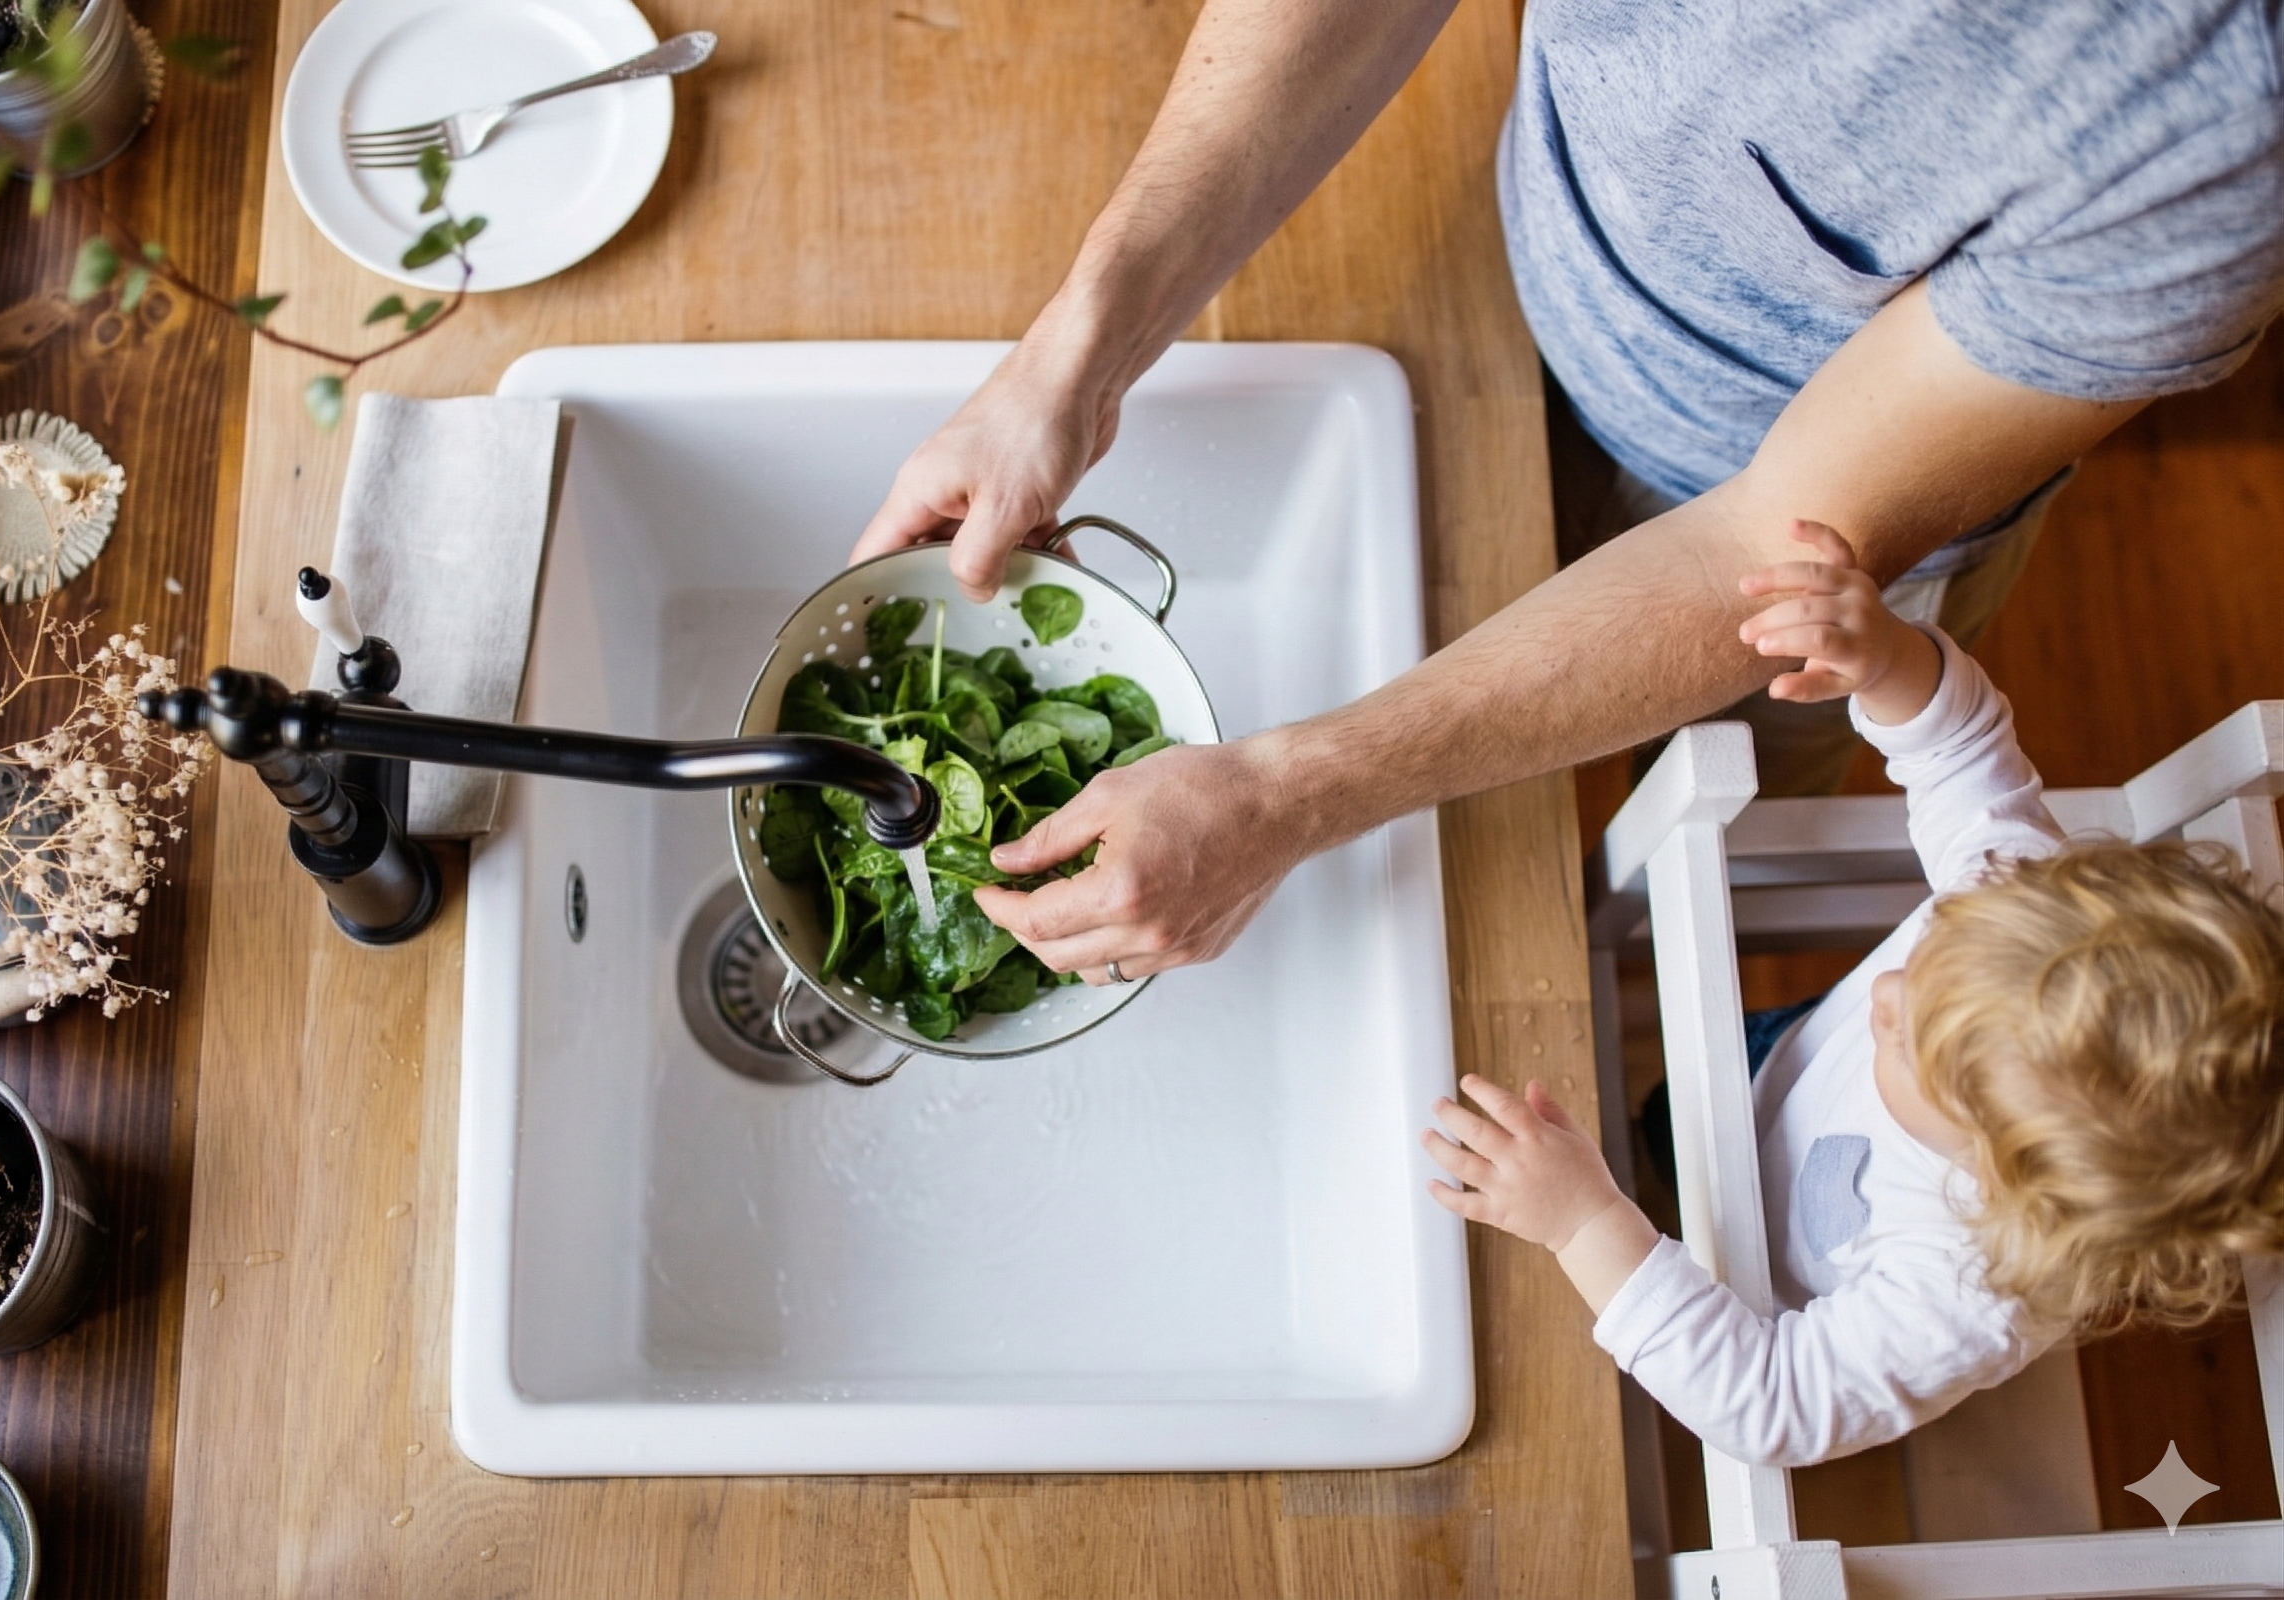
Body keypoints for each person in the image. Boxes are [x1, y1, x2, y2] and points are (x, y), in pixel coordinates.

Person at [851, 0, 2284, 988]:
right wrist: (1070, 363)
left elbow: (1769, 543)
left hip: (1782, 530)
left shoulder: (2213, 124)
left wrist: (1284, 795)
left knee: (1714, 811)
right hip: (1509, 270)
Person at [1420, 521, 2284, 1466]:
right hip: (1784, 1069)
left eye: (1914, 1040)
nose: (1885, 994)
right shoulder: (2021, 905)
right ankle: (1668, 1131)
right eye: (1936, 950)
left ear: (2009, 1179)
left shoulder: (1975, 1286)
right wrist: (1887, 661)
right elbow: (1958, 749)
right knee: (1672, 1113)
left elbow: (1772, 1407)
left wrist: (1586, 1221)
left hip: (1755, 1286)